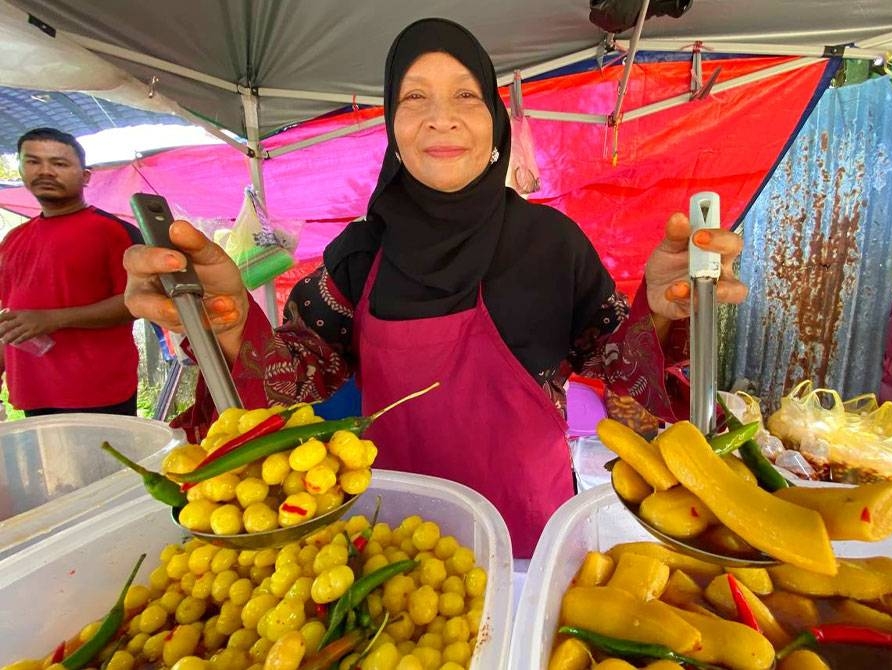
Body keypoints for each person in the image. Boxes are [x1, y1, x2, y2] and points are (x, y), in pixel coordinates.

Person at [124, 19, 746, 556]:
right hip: (398, 536)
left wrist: (662, 313)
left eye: (466, 96)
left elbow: (624, 379)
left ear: (496, 121)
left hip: (532, 534)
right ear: (393, 124)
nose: (440, 117)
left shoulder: (552, 244)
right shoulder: (358, 255)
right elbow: (288, 383)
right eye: (415, 96)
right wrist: (227, 323)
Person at [0, 128, 142, 416]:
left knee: (106, 463)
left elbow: (138, 301)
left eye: (59, 164)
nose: (46, 172)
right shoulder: (13, 239)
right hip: (33, 390)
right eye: (33, 162)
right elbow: (10, 316)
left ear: (85, 175)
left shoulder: (112, 232)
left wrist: (54, 319)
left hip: (97, 391)